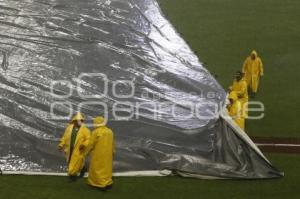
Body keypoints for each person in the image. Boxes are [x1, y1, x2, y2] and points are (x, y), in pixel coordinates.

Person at [58, 112, 91, 182]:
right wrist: (61, 144)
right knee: (72, 161)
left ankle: (72, 176)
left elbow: (89, 138)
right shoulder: (69, 128)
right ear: (74, 121)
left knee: (74, 162)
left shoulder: (85, 129)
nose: (80, 122)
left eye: (81, 120)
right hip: (69, 148)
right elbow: (64, 137)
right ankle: (83, 169)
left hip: (79, 149)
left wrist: (84, 144)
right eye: (78, 120)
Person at [87, 116, 115, 191]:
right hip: (108, 154)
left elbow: (91, 144)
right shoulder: (110, 131)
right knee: (106, 168)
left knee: (97, 168)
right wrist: (113, 151)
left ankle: (98, 184)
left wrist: (86, 152)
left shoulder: (95, 132)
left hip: (98, 154)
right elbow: (113, 143)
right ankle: (107, 182)